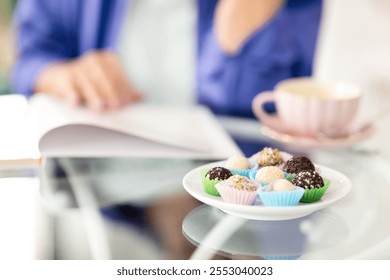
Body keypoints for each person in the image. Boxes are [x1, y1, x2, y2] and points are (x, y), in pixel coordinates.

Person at [11, 0, 322, 259]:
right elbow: (29, 59)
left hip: (222, 174)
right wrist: (61, 75)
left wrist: (233, 36)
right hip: (106, 172)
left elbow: (266, 106)